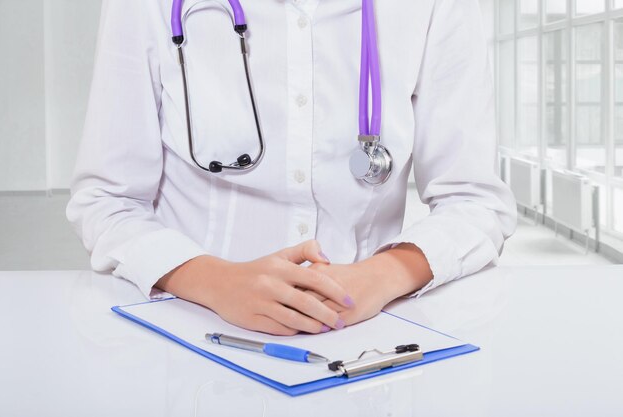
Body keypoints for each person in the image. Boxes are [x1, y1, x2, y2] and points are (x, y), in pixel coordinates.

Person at [67, 0, 517, 336]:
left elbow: (473, 199)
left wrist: (381, 276)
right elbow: (108, 201)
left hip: (366, 336)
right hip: (190, 324)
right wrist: (216, 280)